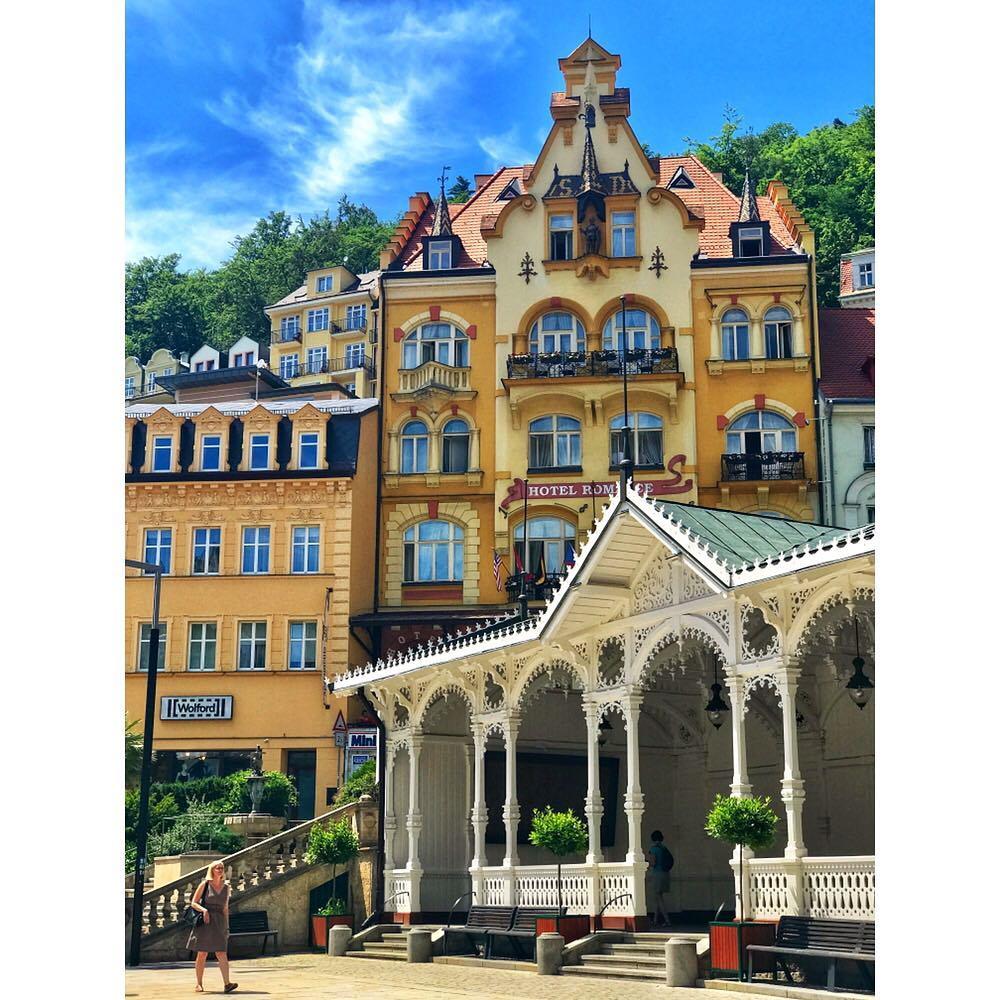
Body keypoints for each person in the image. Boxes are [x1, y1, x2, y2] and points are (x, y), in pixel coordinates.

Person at [187, 861, 238, 993]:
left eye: (222, 868)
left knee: (221, 952)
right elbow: (193, 903)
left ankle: (227, 984)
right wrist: (204, 910)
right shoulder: (205, 884)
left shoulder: (226, 887)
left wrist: (227, 927)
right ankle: (198, 984)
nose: (220, 870)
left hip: (219, 922)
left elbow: (225, 908)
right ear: (212, 870)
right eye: (217, 868)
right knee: (202, 953)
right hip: (206, 922)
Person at [646, 829, 674, 927]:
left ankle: (667, 920)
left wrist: (646, 862)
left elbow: (653, 863)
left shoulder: (653, 849)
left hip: (657, 874)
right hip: (666, 873)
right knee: (657, 897)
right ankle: (655, 919)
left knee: (659, 897)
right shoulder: (663, 848)